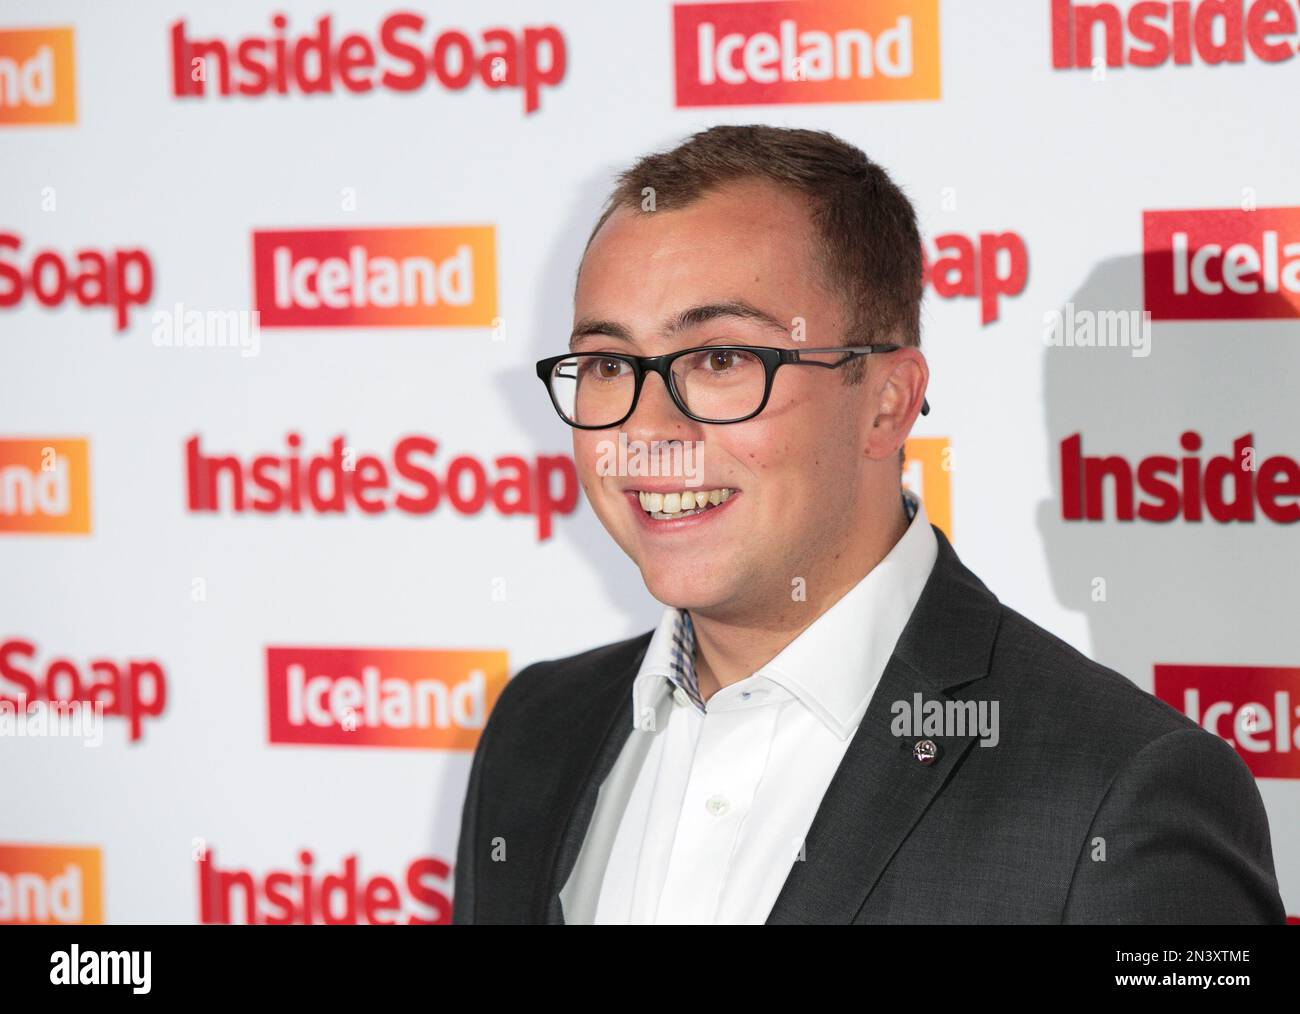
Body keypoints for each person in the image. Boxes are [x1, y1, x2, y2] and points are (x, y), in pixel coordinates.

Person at [451, 124, 1285, 924]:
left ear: (886, 403)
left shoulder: (1123, 793)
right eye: (607, 365)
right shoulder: (536, 731)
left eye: (721, 359)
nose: (648, 434)